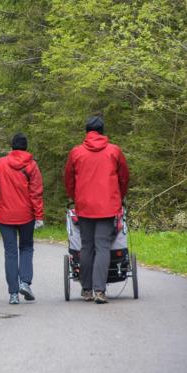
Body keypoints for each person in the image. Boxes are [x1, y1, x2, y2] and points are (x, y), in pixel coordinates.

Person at [64, 114, 129, 304]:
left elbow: (69, 178)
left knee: (86, 247)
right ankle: (100, 291)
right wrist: (120, 196)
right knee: (102, 247)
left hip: (84, 206)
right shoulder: (114, 151)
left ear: (87, 132)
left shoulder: (76, 152)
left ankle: (86, 289)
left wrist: (74, 197)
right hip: (108, 206)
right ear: (102, 132)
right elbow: (124, 177)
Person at [0, 133, 44, 305]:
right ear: (26, 147)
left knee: (10, 253)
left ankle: (13, 294)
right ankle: (25, 283)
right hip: (26, 215)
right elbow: (36, 193)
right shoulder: (32, 166)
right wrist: (39, 216)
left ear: (11, 147)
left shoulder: (0, 164)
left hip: (5, 216)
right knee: (26, 248)